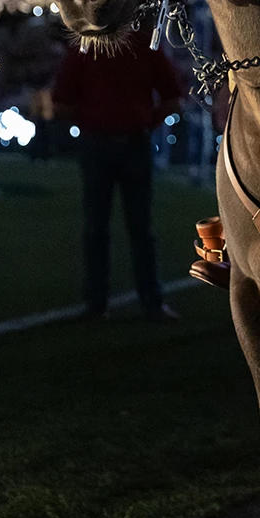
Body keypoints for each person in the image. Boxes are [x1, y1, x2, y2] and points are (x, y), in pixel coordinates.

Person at [52, 31, 183, 322]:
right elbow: (174, 97)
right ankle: (150, 302)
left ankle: (97, 303)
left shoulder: (86, 46)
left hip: (100, 143)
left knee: (98, 228)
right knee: (139, 228)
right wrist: (146, 119)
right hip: (132, 142)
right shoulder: (143, 45)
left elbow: (61, 102)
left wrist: (90, 120)